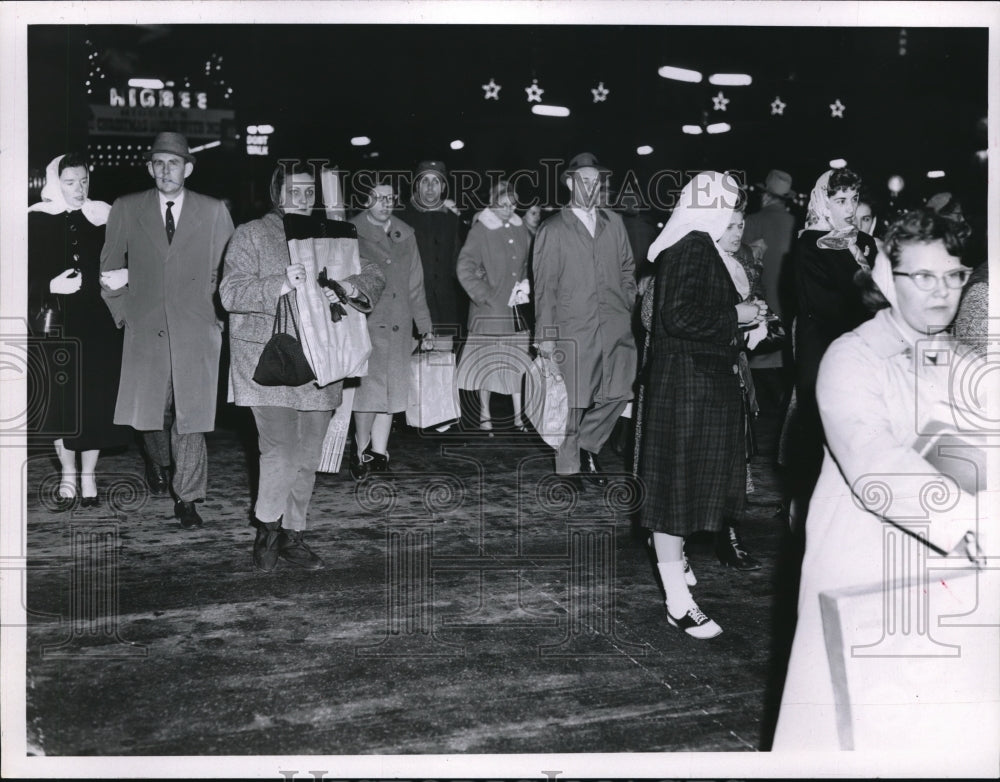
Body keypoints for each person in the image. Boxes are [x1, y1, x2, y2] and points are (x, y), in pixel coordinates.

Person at [772, 208, 987, 749]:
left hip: (948, 586)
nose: (941, 292)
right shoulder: (852, 357)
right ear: (889, 279)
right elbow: (875, 463)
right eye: (923, 276)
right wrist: (974, 526)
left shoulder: (967, 363)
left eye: (953, 276)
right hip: (866, 581)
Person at [220, 162, 385, 571]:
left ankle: (294, 534)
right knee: (281, 450)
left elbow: (374, 272)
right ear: (277, 192)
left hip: (321, 360)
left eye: (310, 190)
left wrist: (350, 287)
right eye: (294, 189)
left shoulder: (330, 233)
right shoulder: (251, 234)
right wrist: (279, 282)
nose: (303, 197)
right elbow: (228, 292)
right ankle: (267, 530)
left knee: (309, 454)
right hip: (268, 362)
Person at [638, 172, 768, 639]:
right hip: (689, 387)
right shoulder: (693, 246)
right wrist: (738, 315)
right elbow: (677, 316)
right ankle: (678, 603)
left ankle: (675, 574)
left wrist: (742, 324)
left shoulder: (697, 244)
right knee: (676, 494)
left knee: (683, 490)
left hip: (697, 385)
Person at [100, 132, 235, 529]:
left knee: (190, 415)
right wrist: (123, 313)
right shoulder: (127, 208)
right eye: (158, 163)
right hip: (146, 328)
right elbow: (109, 267)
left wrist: (220, 318)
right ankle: (157, 459)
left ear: (188, 168)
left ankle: (188, 497)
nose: (165, 170)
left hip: (197, 328)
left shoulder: (213, 211)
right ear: (149, 168)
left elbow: (230, 270)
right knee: (153, 412)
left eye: (172, 162)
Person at [28, 153, 130, 509]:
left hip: (97, 323)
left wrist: (125, 275)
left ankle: (88, 475)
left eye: (83, 181)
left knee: (95, 400)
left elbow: (129, 259)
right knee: (62, 402)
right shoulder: (36, 220)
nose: (78, 189)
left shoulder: (104, 216)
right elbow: (12, 274)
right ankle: (67, 474)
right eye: (70, 182)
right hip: (56, 324)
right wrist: (48, 286)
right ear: (55, 182)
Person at [532, 152, 637, 488]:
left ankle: (588, 445)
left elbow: (626, 269)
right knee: (573, 401)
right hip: (572, 327)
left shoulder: (613, 222)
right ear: (569, 183)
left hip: (615, 325)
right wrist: (545, 337)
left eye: (596, 181)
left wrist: (627, 302)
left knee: (619, 391)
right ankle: (568, 468)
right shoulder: (553, 229)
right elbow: (544, 288)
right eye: (584, 181)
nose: (592, 187)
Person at [784, 168, 879, 525]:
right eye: (840, 200)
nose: (849, 208)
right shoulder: (811, 243)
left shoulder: (863, 243)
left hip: (857, 346)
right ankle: (811, 511)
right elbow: (831, 304)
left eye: (854, 199)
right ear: (824, 203)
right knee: (821, 428)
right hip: (823, 346)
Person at [349, 182, 434, 478]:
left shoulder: (405, 234)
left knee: (392, 392)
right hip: (367, 323)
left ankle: (380, 452)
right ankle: (360, 449)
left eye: (391, 198)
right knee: (366, 394)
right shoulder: (351, 232)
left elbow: (416, 285)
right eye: (379, 198)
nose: (386, 203)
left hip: (399, 323)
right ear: (366, 200)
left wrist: (425, 326)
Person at [456, 180, 532, 433]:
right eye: (503, 204)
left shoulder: (522, 230)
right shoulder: (481, 229)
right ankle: (485, 415)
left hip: (514, 310)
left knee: (516, 362)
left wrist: (525, 285)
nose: (509, 209)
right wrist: (484, 295)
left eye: (513, 204)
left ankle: (519, 416)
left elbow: (526, 265)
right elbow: (464, 267)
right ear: (493, 203)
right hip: (488, 311)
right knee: (486, 365)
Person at [743, 169, 797, 415]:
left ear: (765, 196)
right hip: (790, 307)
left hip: (761, 310)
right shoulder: (797, 225)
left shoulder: (752, 222)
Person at [398, 160, 465, 336]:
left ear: (443, 187)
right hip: (410, 312)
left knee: (444, 361)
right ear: (417, 185)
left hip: (445, 310)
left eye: (435, 181)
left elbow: (457, 263)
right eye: (424, 181)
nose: (430, 187)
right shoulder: (400, 218)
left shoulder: (452, 219)